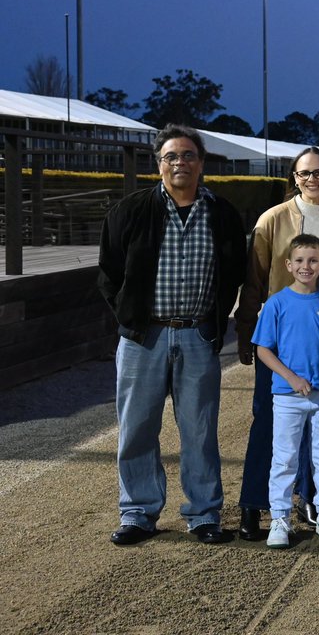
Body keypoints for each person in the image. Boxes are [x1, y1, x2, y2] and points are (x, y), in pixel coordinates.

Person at [97, 124, 246, 546]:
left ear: (201, 163)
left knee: (199, 429)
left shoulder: (221, 214)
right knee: (137, 427)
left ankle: (203, 514)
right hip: (144, 338)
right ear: (159, 164)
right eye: (170, 157)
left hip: (197, 336)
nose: (179, 163)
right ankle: (138, 513)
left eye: (187, 156)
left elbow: (233, 274)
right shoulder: (130, 211)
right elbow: (109, 273)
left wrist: (215, 326)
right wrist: (129, 316)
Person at [232, 146, 319, 540]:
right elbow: (255, 280)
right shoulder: (272, 220)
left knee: (317, 430)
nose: (312, 179)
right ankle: (254, 503)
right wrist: (245, 332)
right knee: (268, 425)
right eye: (304, 173)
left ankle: (313, 501)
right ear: (294, 178)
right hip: (280, 340)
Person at [252, 234, 319, 549]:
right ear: (288, 265)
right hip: (287, 395)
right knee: (285, 459)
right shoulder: (277, 303)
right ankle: (279, 518)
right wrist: (292, 378)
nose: (305, 266)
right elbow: (264, 350)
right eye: (299, 260)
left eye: (312, 260)